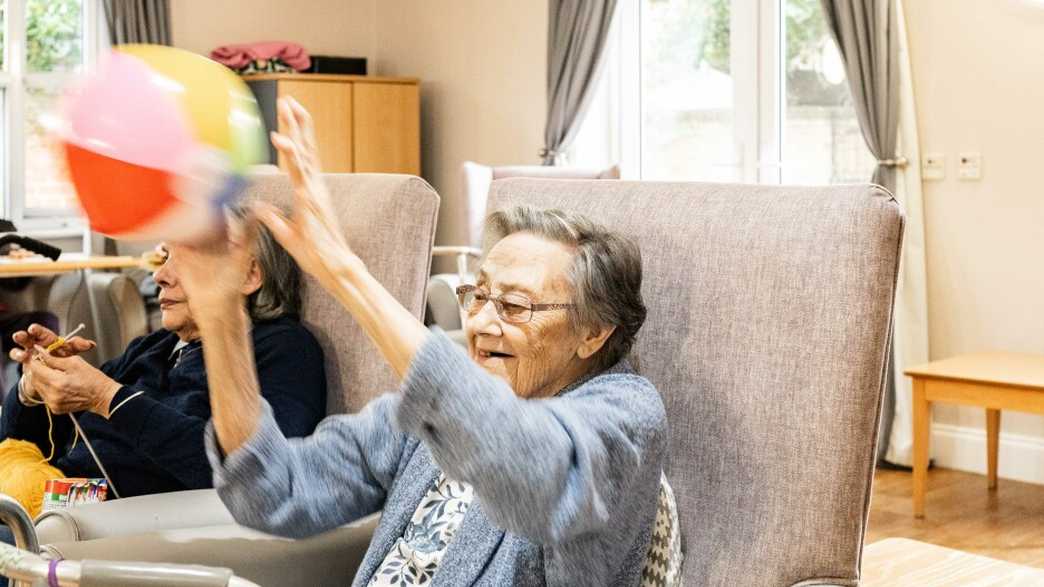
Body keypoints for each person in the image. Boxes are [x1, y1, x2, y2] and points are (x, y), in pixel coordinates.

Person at [173, 97, 667, 585]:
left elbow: (528, 469)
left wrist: (346, 274)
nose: (482, 324)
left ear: (594, 332)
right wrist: (221, 318)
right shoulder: (422, 418)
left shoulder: (625, 415)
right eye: (477, 295)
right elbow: (273, 492)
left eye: (516, 307)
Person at [0, 219, 327, 499]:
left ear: (248, 275)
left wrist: (107, 398)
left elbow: (258, 475)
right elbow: (15, 440)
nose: (160, 276)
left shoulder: (282, 348)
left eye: (185, 259)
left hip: (133, 524)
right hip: (63, 506)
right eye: (166, 257)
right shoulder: (154, 347)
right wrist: (35, 386)